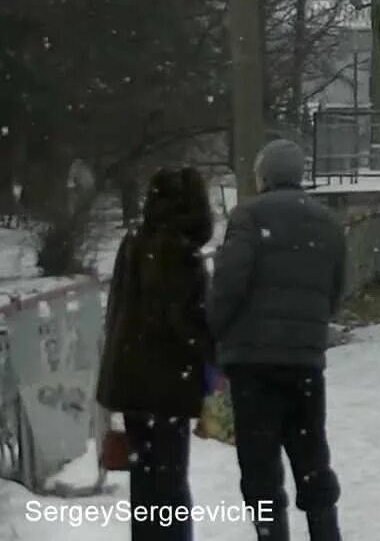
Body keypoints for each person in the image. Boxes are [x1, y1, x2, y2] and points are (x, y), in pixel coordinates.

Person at [209, 139, 347, 541]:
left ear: (264, 175)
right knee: (311, 457)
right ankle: (325, 532)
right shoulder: (327, 220)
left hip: (253, 365)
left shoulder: (248, 215)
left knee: (260, 465)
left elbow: (229, 284)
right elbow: (336, 288)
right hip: (304, 363)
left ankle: (272, 534)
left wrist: (216, 332)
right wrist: (310, 329)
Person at [97, 167, 215, 541]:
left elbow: (117, 307)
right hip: (167, 383)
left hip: (132, 380)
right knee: (170, 482)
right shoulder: (179, 251)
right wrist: (212, 352)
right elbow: (184, 319)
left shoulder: (134, 241)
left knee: (145, 482)